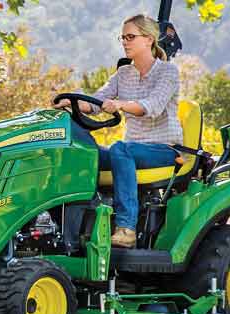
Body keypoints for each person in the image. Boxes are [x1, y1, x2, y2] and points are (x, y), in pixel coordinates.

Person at [54, 14, 182, 248]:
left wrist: (120, 104)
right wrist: (68, 104)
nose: (125, 42)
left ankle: (126, 228)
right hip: (131, 151)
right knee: (82, 151)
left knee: (120, 149)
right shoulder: (123, 74)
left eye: (130, 37)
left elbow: (151, 107)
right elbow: (95, 102)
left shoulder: (168, 73)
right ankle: (73, 229)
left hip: (163, 149)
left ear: (149, 39)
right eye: (122, 37)